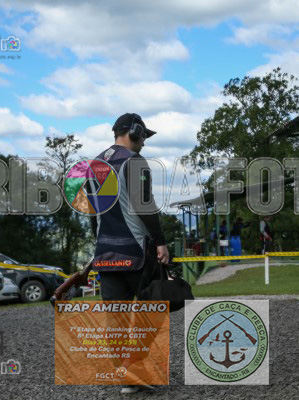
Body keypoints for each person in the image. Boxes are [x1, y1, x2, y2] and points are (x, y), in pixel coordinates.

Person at [90, 113, 168, 394]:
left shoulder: (94, 166)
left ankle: (127, 376)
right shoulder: (134, 162)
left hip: (105, 254)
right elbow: (145, 205)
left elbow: (93, 213)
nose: (144, 141)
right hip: (137, 252)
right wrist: (160, 241)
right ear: (134, 132)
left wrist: (99, 244)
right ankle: (134, 366)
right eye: (143, 135)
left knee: (116, 319)